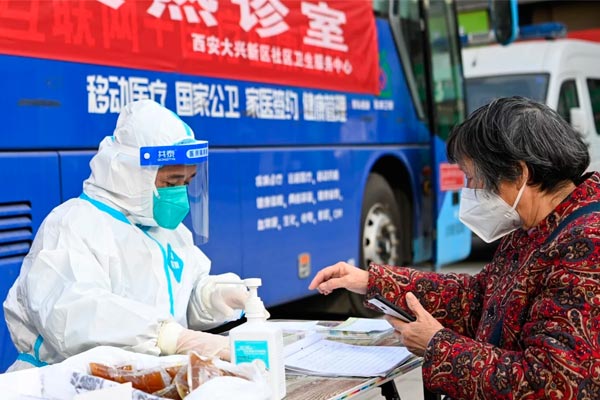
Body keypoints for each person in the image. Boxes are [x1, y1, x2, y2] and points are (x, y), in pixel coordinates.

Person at [309, 97, 600, 399]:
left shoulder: (588, 244)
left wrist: (437, 345)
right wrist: (372, 282)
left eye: (472, 177)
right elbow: (477, 299)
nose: (470, 191)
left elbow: (554, 385)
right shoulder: (536, 228)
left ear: (519, 173)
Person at [3, 99, 250, 371]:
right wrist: (168, 336)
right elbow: (74, 316)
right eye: (171, 182)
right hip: (66, 384)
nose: (179, 194)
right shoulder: (73, 224)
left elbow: (177, 303)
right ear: (131, 173)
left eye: (187, 182)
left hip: (139, 380)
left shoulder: (171, 233)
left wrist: (213, 296)